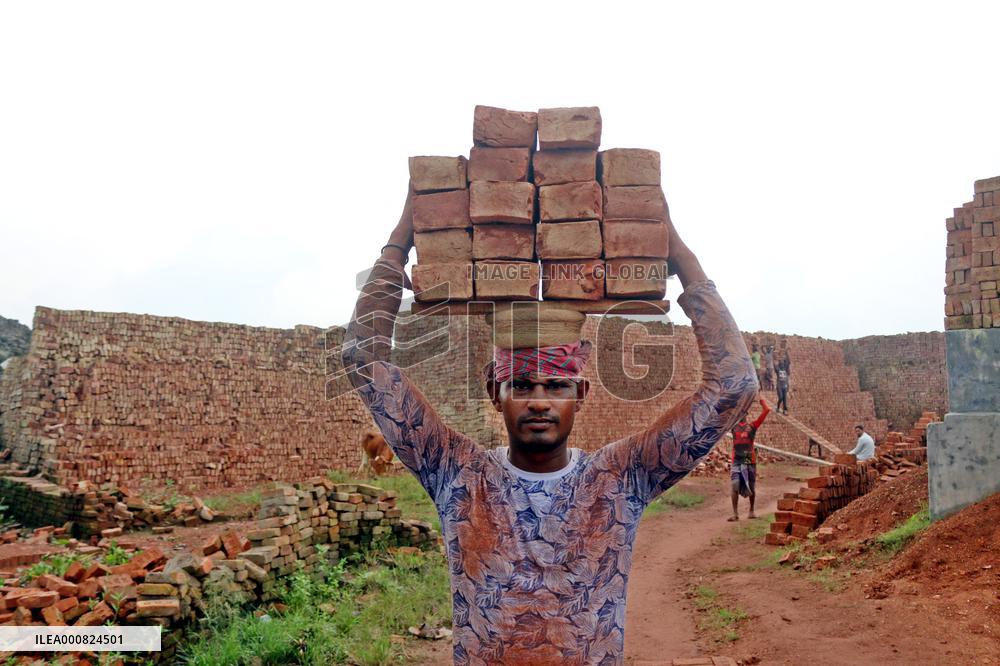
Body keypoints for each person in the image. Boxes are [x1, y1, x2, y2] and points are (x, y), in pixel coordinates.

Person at [341, 184, 757, 665]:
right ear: (493, 395)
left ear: (580, 395)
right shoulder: (458, 474)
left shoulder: (620, 478)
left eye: (556, 386)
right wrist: (399, 241)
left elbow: (735, 385)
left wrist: (680, 255)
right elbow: (361, 357)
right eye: (520, 384)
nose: (538, 401)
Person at [729, 398, 771, 521]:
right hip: (737, 458)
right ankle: (735, 514)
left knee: (751, 486)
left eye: (744, 412)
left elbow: (767, 410)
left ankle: (751, 510)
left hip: (748, 457)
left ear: (746, 415)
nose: (742, 414)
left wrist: (761, 399)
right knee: (734, 485)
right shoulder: (733, 427)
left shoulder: (752, 426)